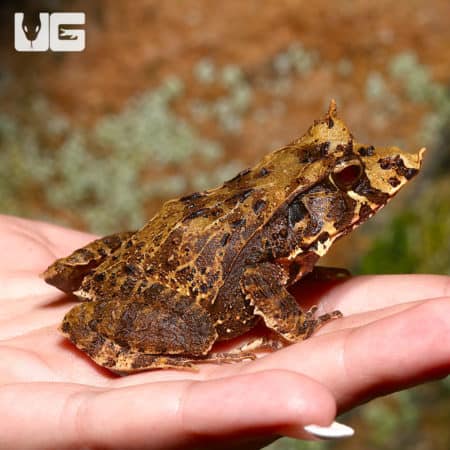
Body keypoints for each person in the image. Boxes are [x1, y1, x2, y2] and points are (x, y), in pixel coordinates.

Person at [0, 214, 449, 450]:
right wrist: (297, 325)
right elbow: (256, 280)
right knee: (196, 334)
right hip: (164, 292)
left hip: (145, 260)